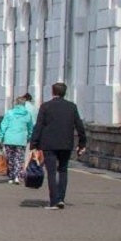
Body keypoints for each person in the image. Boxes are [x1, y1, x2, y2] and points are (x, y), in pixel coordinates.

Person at [29, 82, 88, 210]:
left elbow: (38, 126)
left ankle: (53, 201)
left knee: (51, 172)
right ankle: (61, 199)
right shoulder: (72, 106)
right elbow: (79, 126)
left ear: (52, 92)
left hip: (49, 144)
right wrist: (82, 143)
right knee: (63, 170)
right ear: (65, 93)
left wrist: (34, 144)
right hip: (66, 143)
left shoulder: (45, 106)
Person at [0, 95, 33, 184]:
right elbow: (30, 128)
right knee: (18, 158)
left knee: (10, 158)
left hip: (9, 139)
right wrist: (29, 137)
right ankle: (17, 176)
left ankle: (11, 176)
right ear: (24, 104)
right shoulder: (28, 115)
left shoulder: (9, 113)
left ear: (16, 103)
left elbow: (3, 126)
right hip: (21, 140)